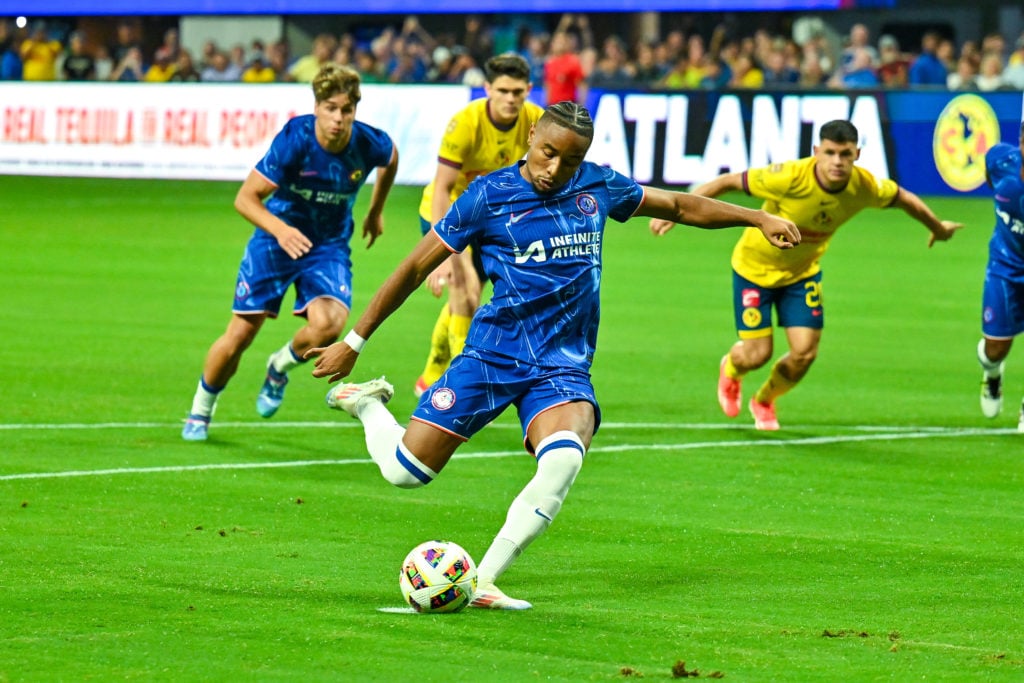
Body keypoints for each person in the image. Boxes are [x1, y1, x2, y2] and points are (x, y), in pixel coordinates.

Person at [304, 102, 800, 609]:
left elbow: (678, 206)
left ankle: (484, 581)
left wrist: (756, 216)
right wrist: (354, 342)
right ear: (531, 140)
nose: (555, 169)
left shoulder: (597, 185)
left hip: (562, 367)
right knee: (405, 472)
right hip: (493, 356)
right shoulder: (488, 196)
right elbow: (412, 268)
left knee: (563, 459)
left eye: (570, 159)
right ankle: (365, 404)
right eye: (548, 153)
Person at [650, 119, 963, 431]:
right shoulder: (788, 176)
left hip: (801, 274)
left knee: (804, 353)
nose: (837, 162)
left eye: (845, 154)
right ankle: (731, 369)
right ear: (816, 151)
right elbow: (729, 181)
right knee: (758, 354)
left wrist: (938, 228)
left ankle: (764, 400)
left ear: (858, 154)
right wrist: (674, 213)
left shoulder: (864, 185)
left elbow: (903, 198)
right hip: (754, 269)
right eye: (830, 153)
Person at [181, 63, 399, 441]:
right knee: (240, 335)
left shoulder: (368, 142)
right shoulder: (295, 139)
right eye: (330, 108)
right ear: (317, 107)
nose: (338, 118)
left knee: (330, 324)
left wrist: (376, 210)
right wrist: (281, 230)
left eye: (346, 110)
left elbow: (391, 158)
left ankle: (278, 367)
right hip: (275, 239)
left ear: (355, 111)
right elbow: (245, 198)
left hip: (327, 245)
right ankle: (200, 410)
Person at [412, 52, 545, 397]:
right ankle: (461, 386)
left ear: (528, 89)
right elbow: (442, 187)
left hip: (492, 220)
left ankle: (432, 371)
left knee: (469, 296)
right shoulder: (465, 124)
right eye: (503, 90)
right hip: (448, 215)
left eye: (517, 91)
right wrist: (443, 253)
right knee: (463, 292)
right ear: (487, 88)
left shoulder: (536, 122)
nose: (510, 99)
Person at [977, 126, 1024, 430]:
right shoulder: (1000, 161)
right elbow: (988, 173)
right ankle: (992, 376)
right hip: (1005, 268)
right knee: (995, 349)